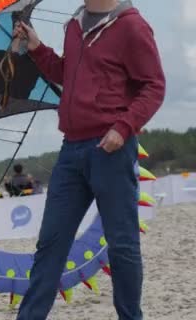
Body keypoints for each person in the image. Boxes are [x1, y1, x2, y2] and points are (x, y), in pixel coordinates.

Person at [13, 1, 165, 319]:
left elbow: (154, 86)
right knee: (51, 244)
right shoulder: (74, 24)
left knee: (121, 246)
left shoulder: (131, 26)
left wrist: (123, 129)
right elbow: (66, 73)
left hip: (111, 150)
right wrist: (37, 47)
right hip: (71, 151)